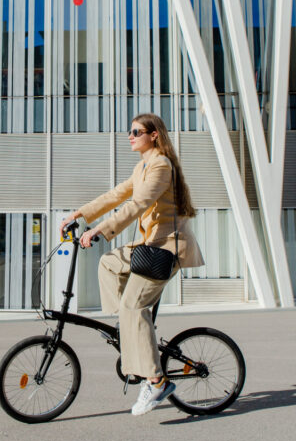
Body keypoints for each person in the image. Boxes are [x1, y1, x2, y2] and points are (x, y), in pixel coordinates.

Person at [59, 113, 203, 416]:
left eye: (136, 131)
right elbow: (116, 195)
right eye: (130, 131)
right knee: (109, 263)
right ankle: (129, 331)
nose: (130, 135)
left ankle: (156, 379)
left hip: (166, 248)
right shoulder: (142, 167)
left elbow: (136, 205)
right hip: (150, 245)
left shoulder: (162, 166)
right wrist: (79, 214)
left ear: (154, 135)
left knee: (133, 307)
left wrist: (99, 229)